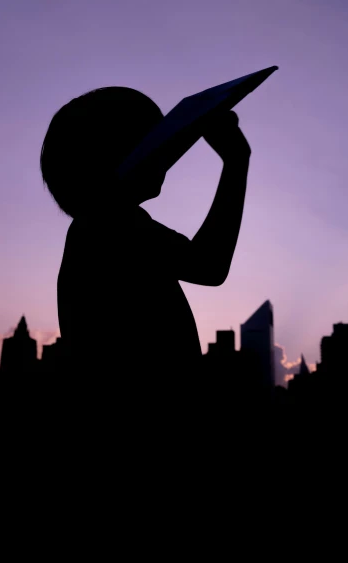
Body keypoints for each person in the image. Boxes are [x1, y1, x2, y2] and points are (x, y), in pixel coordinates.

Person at [40, 86, 250, 411]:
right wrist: (236, 161)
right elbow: (210, 265)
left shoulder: (96, 227)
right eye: (154, 139)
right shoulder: (110, 225)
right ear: (115, 154)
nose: (168, 151)